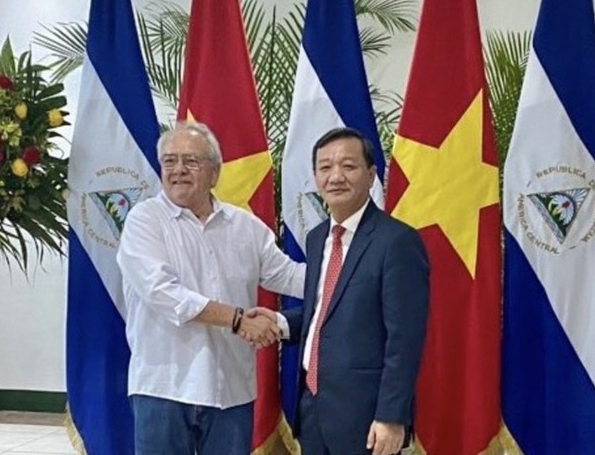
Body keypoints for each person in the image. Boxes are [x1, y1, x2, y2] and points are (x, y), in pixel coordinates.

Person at [116, 121, 305, 455]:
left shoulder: (245, 226)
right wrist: (237, 319)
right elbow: (164, 294)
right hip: (165, 389)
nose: (178, 170)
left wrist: (352, 272)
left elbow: (290, 276)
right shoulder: (143, 221)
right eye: (169, 161)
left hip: (230, 391)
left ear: (215, 173)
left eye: (191, 161)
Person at [252, 127, 429, 455]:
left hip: (366, 416)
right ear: (316, 177)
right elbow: (326, 310)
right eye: (325, 167)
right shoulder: (318, 238)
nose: (336, 176)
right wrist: (280, 323)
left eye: (348, 166)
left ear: (371, 174)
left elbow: (404, 339)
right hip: (313, 407)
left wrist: (391, 417)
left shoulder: (397, 241)